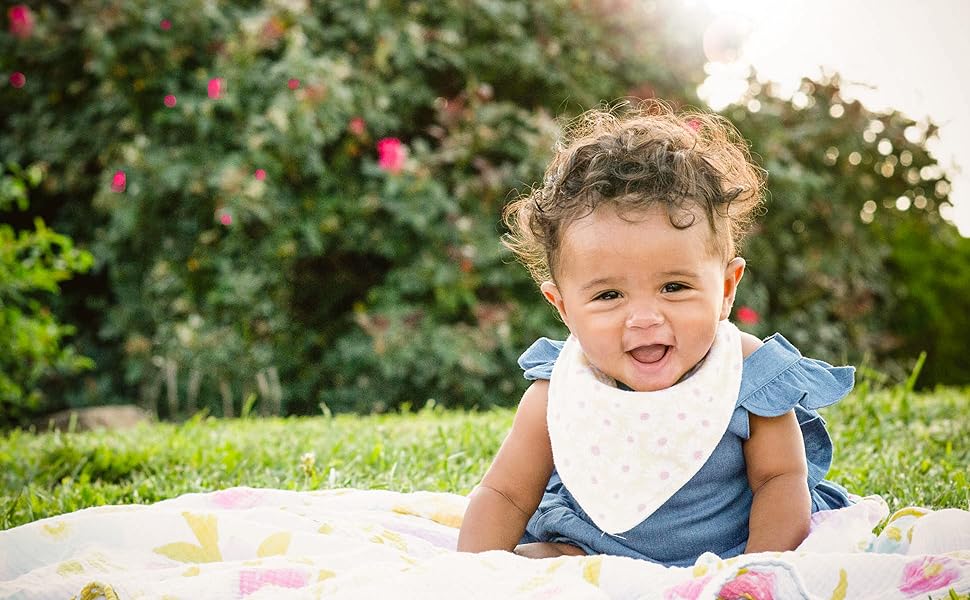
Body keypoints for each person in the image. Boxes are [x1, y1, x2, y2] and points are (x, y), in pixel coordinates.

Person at [456, 101, 855, 567]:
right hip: (585, 549)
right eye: (608, 296)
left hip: (724, 552)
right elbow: (505, 493)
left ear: (726, 289)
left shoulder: (747, 374)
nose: (644, 318)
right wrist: (472, 574)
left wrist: (755, 571)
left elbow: (781, 481)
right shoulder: (557, 387)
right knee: (534, 569)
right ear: (562, 307)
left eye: (674, 287)